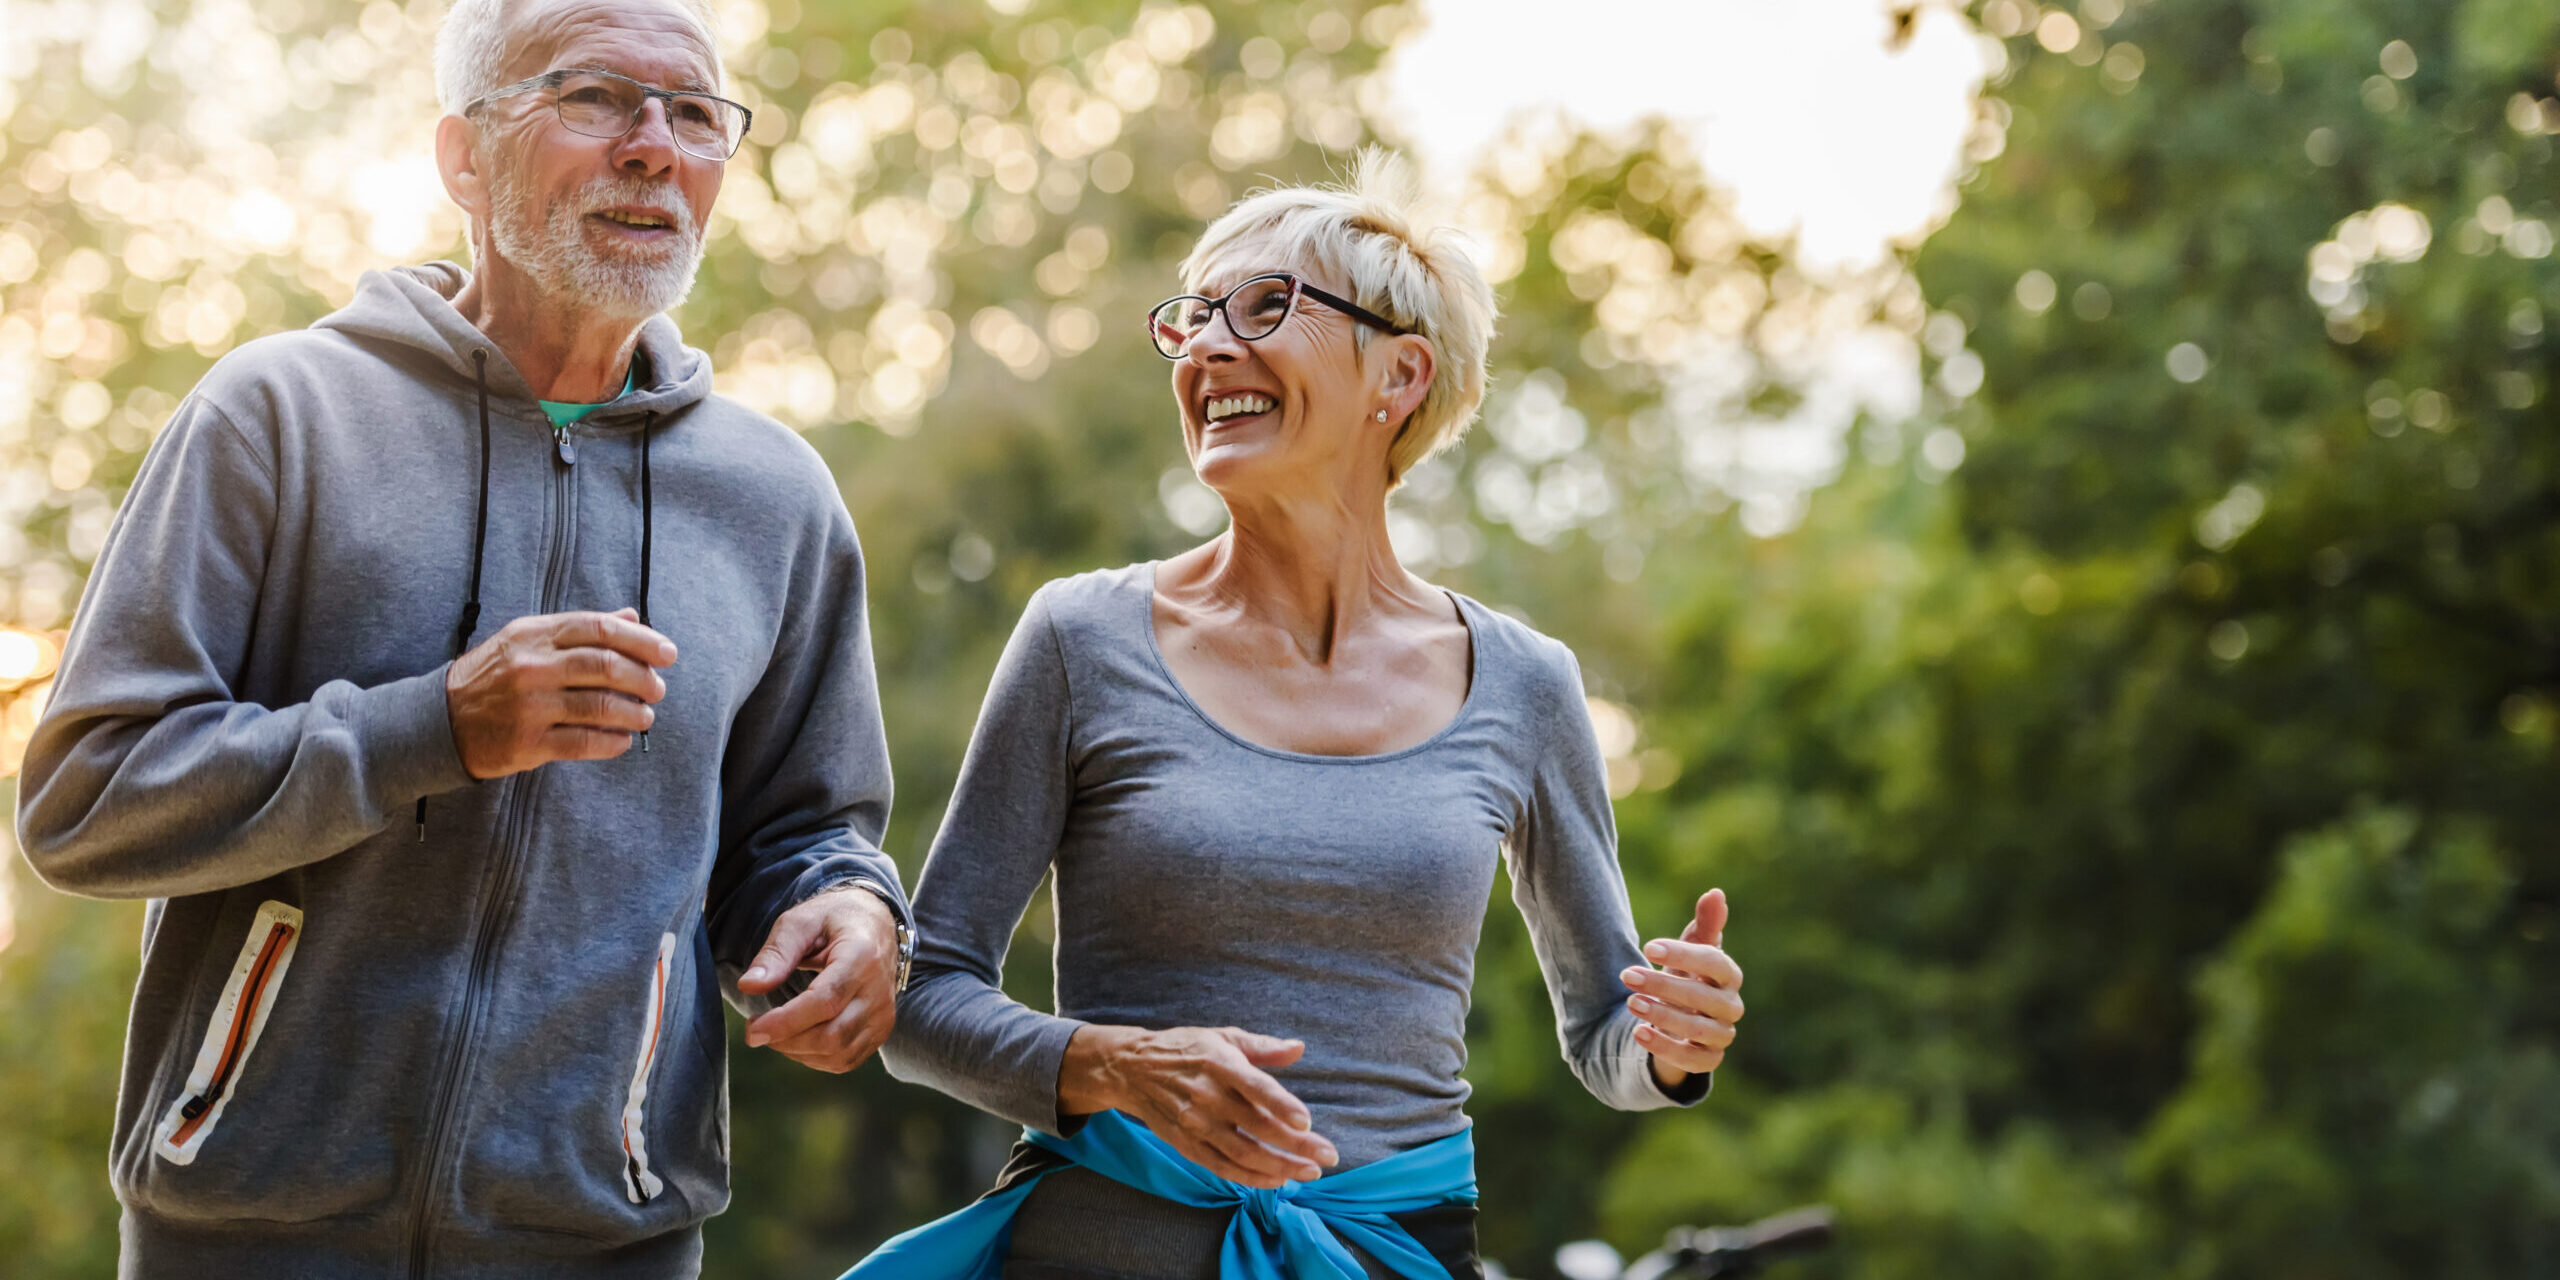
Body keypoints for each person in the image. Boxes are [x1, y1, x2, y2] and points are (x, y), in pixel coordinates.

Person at [14, 1, 911, 1274]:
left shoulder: (775, 496)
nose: (655, 147)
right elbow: (83, 800)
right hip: (249, 1232)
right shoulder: (278, 414)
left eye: (696, 113)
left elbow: (808, 830)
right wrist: (429, 728)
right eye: (594, 98)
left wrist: (850, 909)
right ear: (463, 158)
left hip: (609, 1236)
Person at [854, 152, 1745, 1280]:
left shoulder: (1525, 682)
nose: (1208, 347)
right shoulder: (1081, 638)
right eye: (1191, 319)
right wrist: (1114, 1064)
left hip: (1395, 1255)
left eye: (1265, 307)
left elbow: (1605, 1040)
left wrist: (1670, 1043)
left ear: (1402, 375)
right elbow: (920, 999)